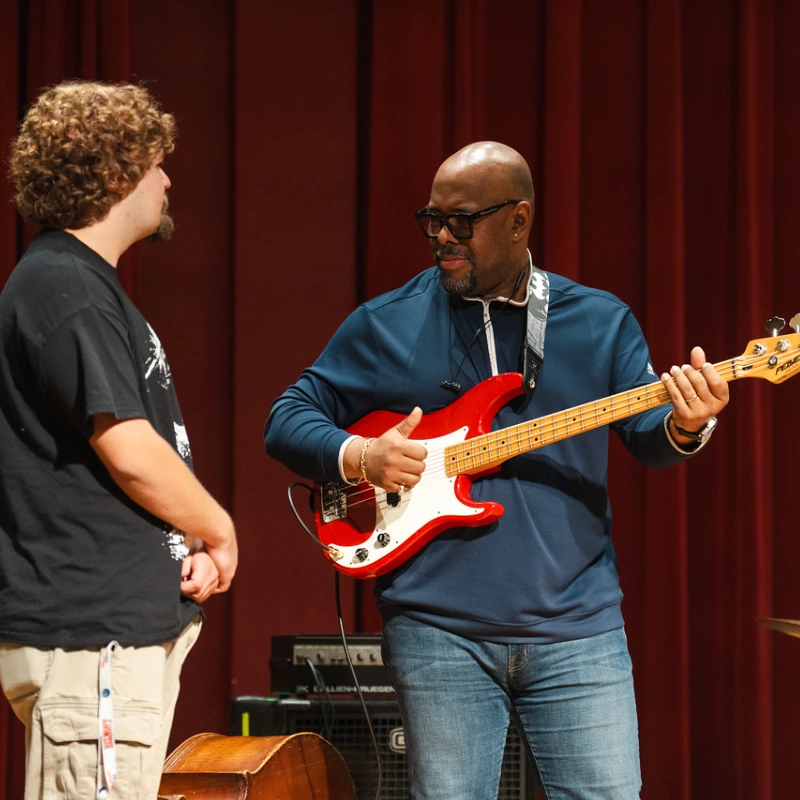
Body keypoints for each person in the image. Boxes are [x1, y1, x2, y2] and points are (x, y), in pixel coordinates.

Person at [264, 141, 729, 799]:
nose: (443, 239)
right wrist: (360, 456)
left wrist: (686, 423)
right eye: (433, 221)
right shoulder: (385, 322)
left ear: (519, 219)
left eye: (463, 222)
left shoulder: (598, 321)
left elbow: (648, 438)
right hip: (437, 626)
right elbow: (286, 417)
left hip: (579, 626)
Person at [0, 81, 238, 800]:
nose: (167, 179)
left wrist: (180, 540)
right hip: (89, 641)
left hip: (105, 638)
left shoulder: (81, 287)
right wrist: (217, 528)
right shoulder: (64, 290)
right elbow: (130, 450)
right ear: (113, 174)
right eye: (156, 162)